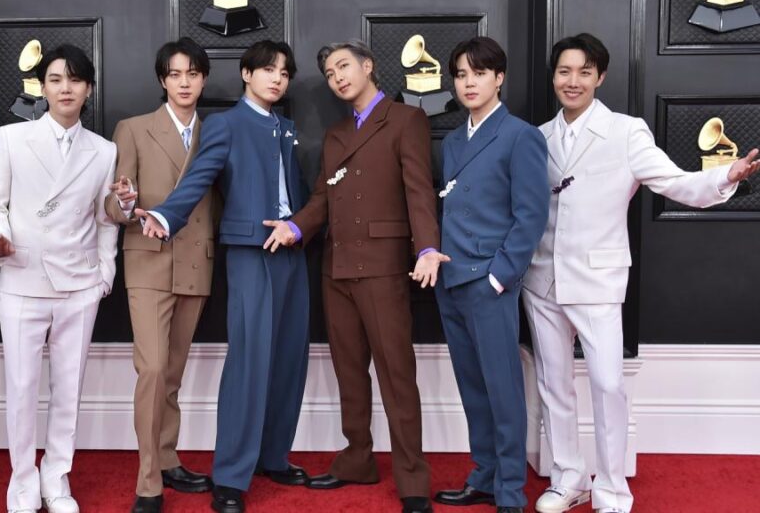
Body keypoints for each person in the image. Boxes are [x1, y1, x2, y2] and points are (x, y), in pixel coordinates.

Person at [523, 33, 760, 513]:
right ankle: (569, 478)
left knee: (608, 385)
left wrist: (725, 176)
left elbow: (675, 182)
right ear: (553, 77)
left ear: (600, 77)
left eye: (584, 72)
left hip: (598, 279)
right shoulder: (538, 137)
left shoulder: (626, 132)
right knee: (552, 384)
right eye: (564, 71)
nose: (573, 81)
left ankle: (612, 490)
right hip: (542, 278)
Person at [264, 40, 446, 513]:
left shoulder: (406, 120)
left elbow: (419, 191)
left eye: (343, 66)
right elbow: (323, 199)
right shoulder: (337, 134)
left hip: (384, 268)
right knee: (349, 372)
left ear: (368, 65)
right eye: (329, 73)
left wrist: (427, 247)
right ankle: (357, 459)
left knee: (397, 376)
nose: (337, 77)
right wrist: (294, 227)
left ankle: (412, 479)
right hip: (337, 267)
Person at [136, 40, 311, 513]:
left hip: (292, 251)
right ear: (247, 74)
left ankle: (273, 457)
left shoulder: (285, 127)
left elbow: (299, 191)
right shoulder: (225, 124)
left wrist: (302, 227)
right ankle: (231, 477)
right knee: (249, 360)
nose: (277, 78)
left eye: (284, 73)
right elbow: (198, 178)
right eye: (268, 70)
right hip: (250, 252)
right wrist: (166, 215)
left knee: (289, 358)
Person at [0, 44, 119, 513]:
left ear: (88, 89)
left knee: (68, 389)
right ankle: (22, 484)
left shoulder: (104, 150)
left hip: (79, 285)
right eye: (56, 79)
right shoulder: (12, 138)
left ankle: (56, 480)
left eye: (75, 80)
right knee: (21, 389)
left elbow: (105, 220)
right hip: (22, 280)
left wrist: (104, 275)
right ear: (42, 87)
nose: (65, 88)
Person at [431, 37, 549, 513]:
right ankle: (483, 476)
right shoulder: (453, 141)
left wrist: (501, 276)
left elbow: (531, 215)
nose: (469, 83)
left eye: (478, 73)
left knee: (502, 390)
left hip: (488, 281)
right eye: (461, 75)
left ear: (499, 78)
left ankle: (510, 491)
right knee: (473, 388)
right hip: (451, 279)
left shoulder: (521, 135)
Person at [105, 38, 216, 513]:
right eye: (175, 74)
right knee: (151, 369)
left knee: (171, 372)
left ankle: (168, 458)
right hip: (148, 258)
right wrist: (125, 202)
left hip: (196, 260)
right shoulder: (133, 129)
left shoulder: (216, 132)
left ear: (203, 79)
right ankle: (149, 480)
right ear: (162, 80)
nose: (184, 82)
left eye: (192, 73)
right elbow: (112, 204)